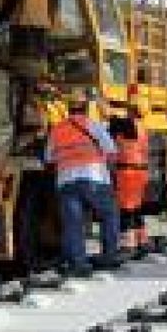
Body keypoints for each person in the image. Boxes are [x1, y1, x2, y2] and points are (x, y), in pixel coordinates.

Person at [45, 90, 121, 277]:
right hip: (94, 178)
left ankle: (79, 264)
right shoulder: (92, 125)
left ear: (68, 109)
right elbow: (111, 149)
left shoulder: (56, 130)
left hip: (66, 182)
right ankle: (109, 256)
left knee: (73, 224)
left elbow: (48, 158)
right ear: (86, 108)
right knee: (109, 214)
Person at [110, 95, 151, 258]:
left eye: (129, 108)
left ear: (133, 109)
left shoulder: (129, 125)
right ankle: (142, 242)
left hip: (128, 172)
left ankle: (128, 246)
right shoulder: (140, 126)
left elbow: (113, 121)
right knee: (136, 209)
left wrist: (103, 103)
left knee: (126, 210)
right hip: (139, 172)